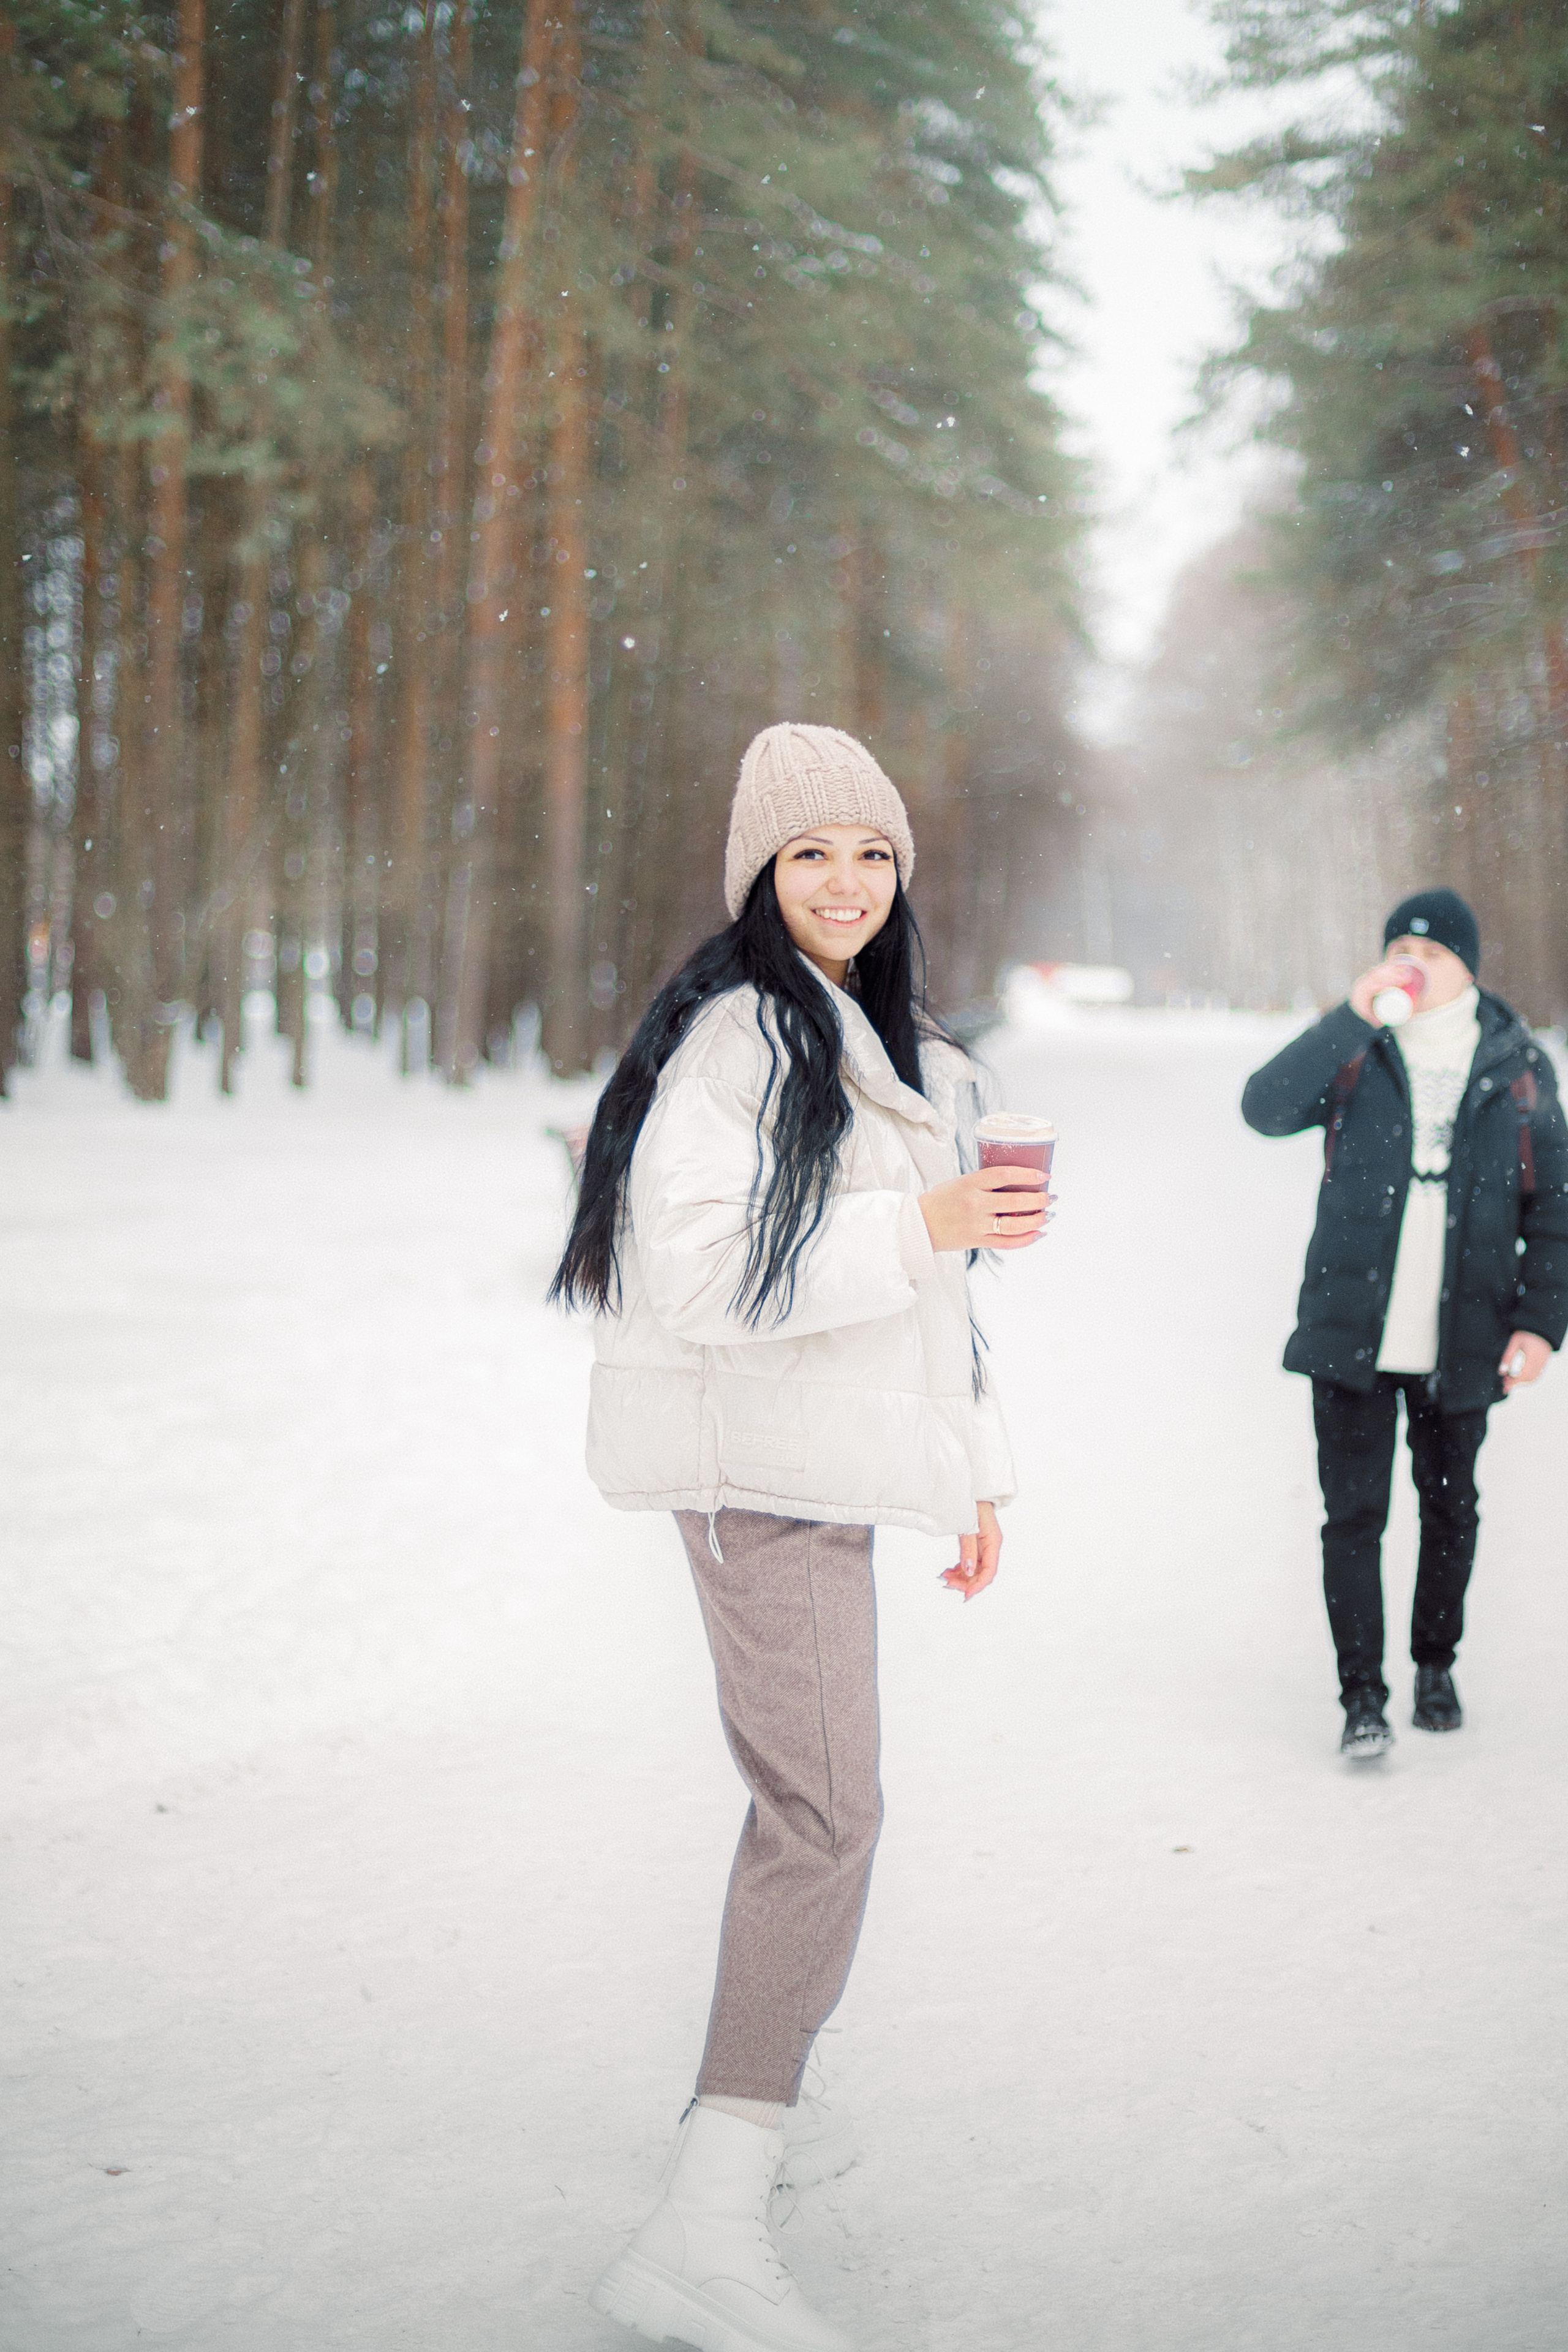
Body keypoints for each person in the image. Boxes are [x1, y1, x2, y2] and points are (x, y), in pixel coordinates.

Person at [550, 723, 1045, 2352]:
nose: (844, 881)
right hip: (756, 1474)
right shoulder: (743, 1041)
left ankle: (750, 2103)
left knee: (821, 1806)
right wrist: (926, 1219)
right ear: (760, 874)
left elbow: (928, 1307)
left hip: (818, 1463)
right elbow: (696, 1275)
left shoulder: (863, 1036)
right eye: (810, 853)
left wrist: (967, 1470)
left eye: (872, 853)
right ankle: (707, 2213)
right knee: (826, 1813)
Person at [1242, 888, 1568, 1758]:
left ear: (1468, 964)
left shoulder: (1519, 1061)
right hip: (1353, 1327)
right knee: (1353, 1516)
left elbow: (1556, 1210)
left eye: (1431, 952)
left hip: (1466, 1330)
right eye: (1400, 950)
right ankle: (1362, 1696)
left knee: (1451, 1509)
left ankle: (1434, 1664)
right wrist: (1349, 1015)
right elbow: (1264, 1107)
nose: (1412, 965)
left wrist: (1540, 1322)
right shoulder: (1359, 1049)